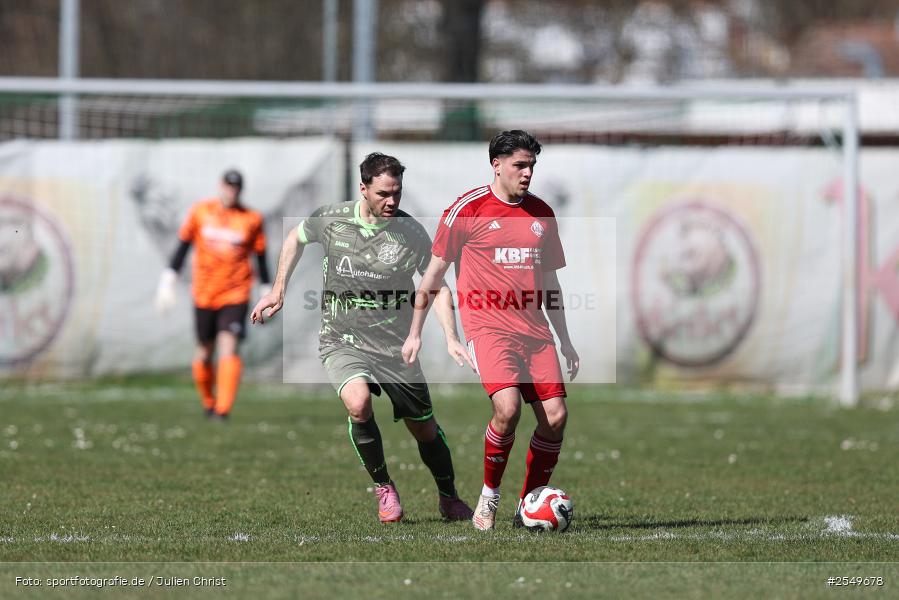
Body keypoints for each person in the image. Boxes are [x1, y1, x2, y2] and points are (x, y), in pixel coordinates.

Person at [250, 152, 474, 524]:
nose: (392, 201)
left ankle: (448, 497)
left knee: (425, 429)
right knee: (358, 404)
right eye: (384, 193)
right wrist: (278, 290)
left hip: (395, 347)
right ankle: (384, 487)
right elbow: (294, 238)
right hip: (342, 339)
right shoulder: (332, 220)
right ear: (364, 189)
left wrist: (452, 335)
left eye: (397, 193)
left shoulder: (410, 232)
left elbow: (437, 286)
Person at [403, 130, 580, 531]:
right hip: (489, 330)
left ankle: (528, 506)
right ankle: (489, 495)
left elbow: (550, 282)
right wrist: (416, 331)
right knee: (508, 409)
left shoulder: (541, 215)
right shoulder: (467, 210)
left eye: (532, 165)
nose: (527, 173)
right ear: (496, 165)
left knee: (555, 417)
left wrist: (564, 338)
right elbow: (432, 276)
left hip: (536, 333)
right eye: (520, 165)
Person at [155, 169, 270, 420]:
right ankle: (209, 401)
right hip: (204, 294)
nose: (232, 191)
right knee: (204, 352)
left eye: (236, 188)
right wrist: (167, 280)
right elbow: (183, 247)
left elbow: (260, 256)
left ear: (241, 190)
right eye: (228, 186)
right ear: (220, 186)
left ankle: (223, 409)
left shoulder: (251, 218)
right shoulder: (200, 212)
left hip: (236, 294)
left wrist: (266, 290)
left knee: (228, 347)